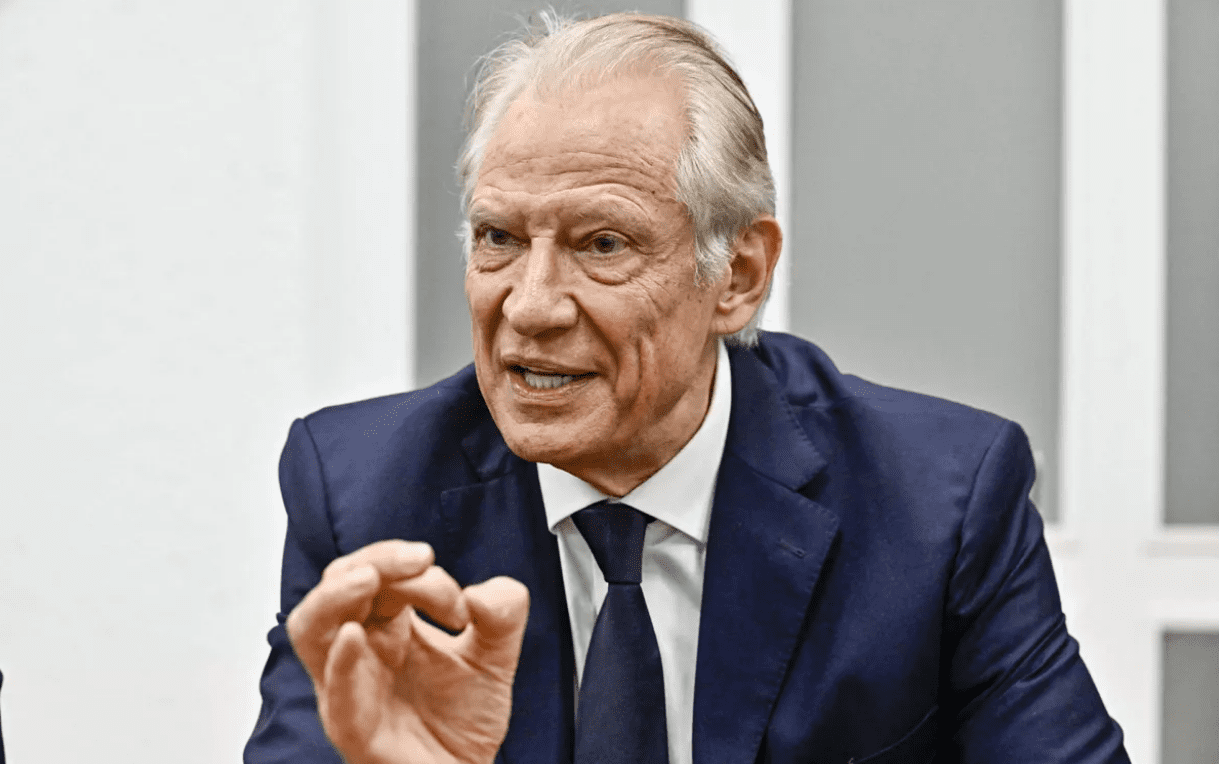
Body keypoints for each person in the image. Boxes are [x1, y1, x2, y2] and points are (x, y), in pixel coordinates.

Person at [245, 12, 1130, 764]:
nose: (530, 305)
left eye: (602, 244)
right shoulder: (365, 493)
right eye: (498, 238)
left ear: (737, 276)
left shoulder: (937, 502)